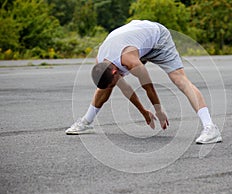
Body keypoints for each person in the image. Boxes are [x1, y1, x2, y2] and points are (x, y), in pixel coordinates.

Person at [65, 20, 222, 144]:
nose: (117, 83)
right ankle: (87, 121)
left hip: (158, 37)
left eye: (115, 80)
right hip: (136, 37)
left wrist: (158, 110)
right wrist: (143, 111)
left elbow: (148, 87)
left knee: (179, 80)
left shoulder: (129, 60)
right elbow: (126, 89)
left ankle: (210, 128)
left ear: (114, 71)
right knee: (104, 87)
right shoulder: (101, 62)